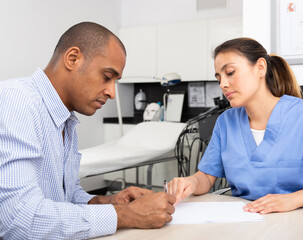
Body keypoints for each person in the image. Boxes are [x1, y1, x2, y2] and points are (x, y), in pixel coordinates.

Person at [0, 22, 175, 239]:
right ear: (73, 58)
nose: (112, 92)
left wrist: (105, 201)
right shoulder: (16, 102)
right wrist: (127, 214)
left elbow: (66, 197)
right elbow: (19, 219)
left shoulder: (67, 120)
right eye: (107, 77)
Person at [168, 37, 303, 214]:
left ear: (260, 67)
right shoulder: (226, 122)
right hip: (246, 221)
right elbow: (206, 177)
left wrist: (293, 199)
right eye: (219, 78)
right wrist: (191, 182)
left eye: (230, 72)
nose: (223, 84)